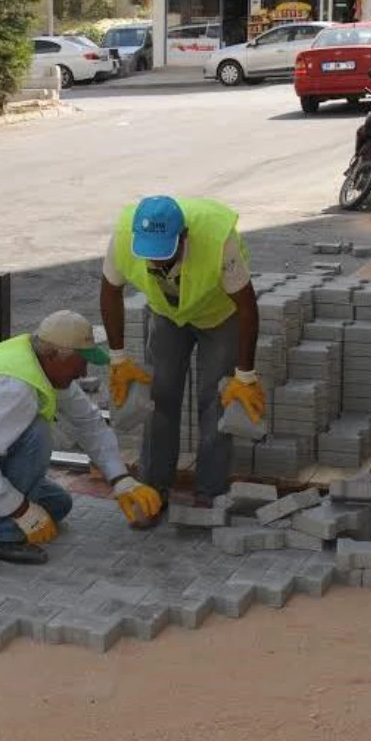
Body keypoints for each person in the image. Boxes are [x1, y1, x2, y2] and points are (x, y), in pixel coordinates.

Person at [0, 310, 163, 565]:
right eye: (81, 361)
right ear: (53, 356)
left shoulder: (40, 366)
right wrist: (22, 512)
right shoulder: (15, 389)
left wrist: (121, 480)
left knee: (58, 505)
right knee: (36, 433)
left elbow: (89, 423)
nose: (84, 372)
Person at [99, 196, 263, 508]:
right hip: (167, 313)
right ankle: (153, 489)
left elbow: (246, 307)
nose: (156, 263)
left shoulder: (218, 239)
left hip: (218, 314)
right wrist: (117, 358)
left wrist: (245, 375)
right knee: (160, 397)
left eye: (164, 253)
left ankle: (209, 492)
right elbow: (109, 291)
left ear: (183, 236)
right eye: (150, 255)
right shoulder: (123, 235)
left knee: (215, 399)